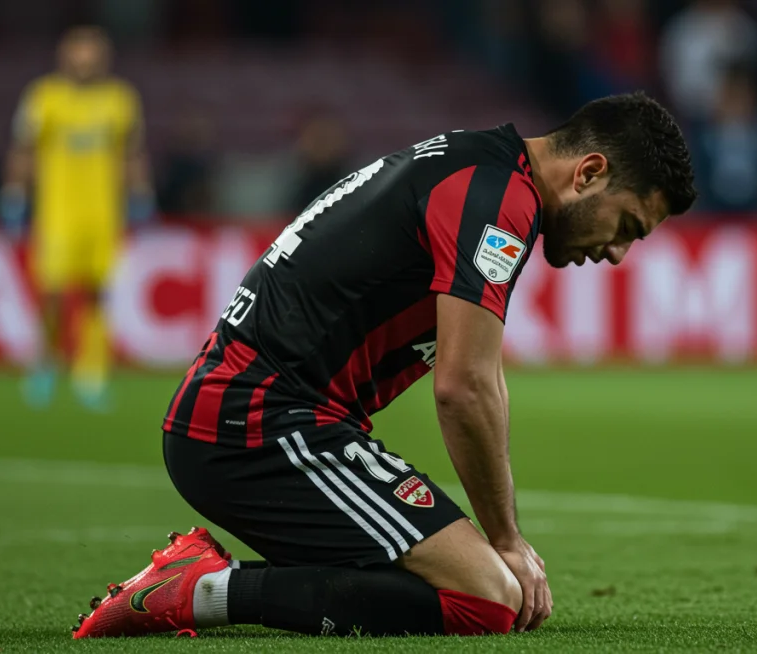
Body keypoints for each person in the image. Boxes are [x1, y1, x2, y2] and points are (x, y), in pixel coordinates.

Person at [73, 92, 696, 639]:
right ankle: (200, 590)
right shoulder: (496, 200)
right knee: (487, 598)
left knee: (463, 586)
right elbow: (462, 385)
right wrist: (504, 538)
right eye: (628, 226)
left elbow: (483, 371)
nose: (617, 252)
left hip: (262, 417)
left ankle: (212, 584)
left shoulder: (481, 170)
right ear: (589, 172)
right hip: (260, 423)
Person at [0, 26, 153, 411]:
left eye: (93, 54)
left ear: (104, 58)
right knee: (51, 293)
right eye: (78, 53)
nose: (85, 61)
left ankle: (91, 374)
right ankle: (45, 363)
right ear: (65, 57)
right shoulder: (44, 96)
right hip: (57, 214)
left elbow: (133, 152)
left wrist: (141, 194)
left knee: (97, 294)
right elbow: (24, 148)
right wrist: (14, 193)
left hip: (103, 215)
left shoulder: (120, 99)